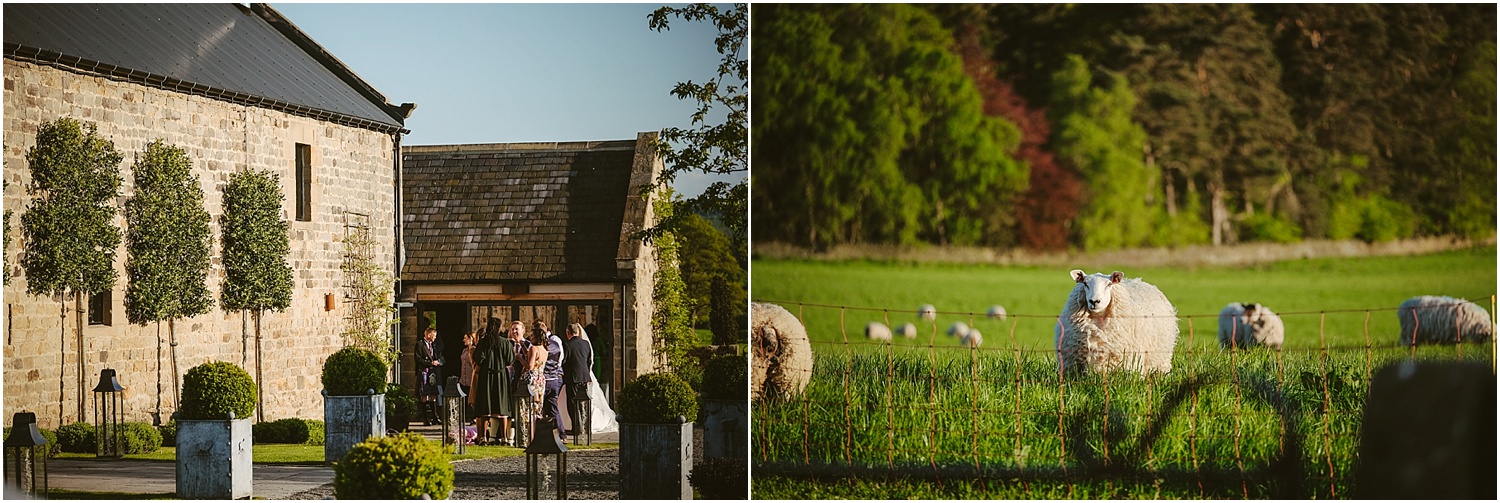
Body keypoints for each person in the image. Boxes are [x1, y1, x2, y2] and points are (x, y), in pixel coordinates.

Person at [469, 318, 514, 445]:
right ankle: (504, 438)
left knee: (485, 406)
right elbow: (510, 359)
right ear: (499, 328)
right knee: (502, 406)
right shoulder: (505, 343)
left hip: (486, 376)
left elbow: (478, 359)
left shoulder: (483, 343)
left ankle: (483, 437)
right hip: (501, 376)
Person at [515, 325, 549, 440]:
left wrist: (519, 358)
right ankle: (537, 435)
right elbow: (531, 356)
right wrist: (523, 345)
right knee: (537, 408)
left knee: (528, 408)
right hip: (540, 380)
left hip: (532, 380)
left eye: (532, 336)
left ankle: (528, 436)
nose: (530, 338)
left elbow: (529, 366)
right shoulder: (544, 349)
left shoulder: (534, 348)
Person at [561, 323, 594, 441]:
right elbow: (589, 360)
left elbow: (564, 360)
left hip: (573, 377)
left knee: (572, 402)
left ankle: (577, 428)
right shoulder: (585, 343)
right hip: (584, 376)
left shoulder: (567, 344)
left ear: (568, 333)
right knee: (583, 403)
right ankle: (585, 426)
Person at [538, 320, 567, 442]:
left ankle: (541, 435)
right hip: (555, 378)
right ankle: (561, 434)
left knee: (538, 408)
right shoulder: (555, 343)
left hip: (544, 378)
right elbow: (560, 359)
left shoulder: (539, 346)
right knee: (553, 408)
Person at [414, 327, 444, 425]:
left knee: (433, 395)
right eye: (434, 336)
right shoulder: (420, 345)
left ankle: (435, 417)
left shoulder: (433, 345)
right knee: (424, 395)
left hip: (432, 373)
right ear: (429, 335)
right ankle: (425, 419)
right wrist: (430, 363)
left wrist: (437, 361)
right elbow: (418, 360)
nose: (435, 338)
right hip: (424, 371)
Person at [458, 331, 476, 418]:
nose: (463, 340)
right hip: (464, 378)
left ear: (470, 339)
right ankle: (464, 416)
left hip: (471, 378)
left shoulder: (474, 350)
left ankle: (474, 416)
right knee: (464, 398)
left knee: (472, 398)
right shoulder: (464, 350)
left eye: (465, 338)